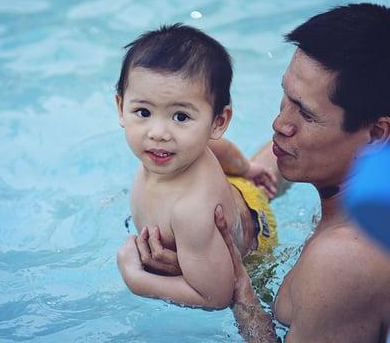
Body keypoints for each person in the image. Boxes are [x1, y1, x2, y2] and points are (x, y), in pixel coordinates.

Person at [131, 4, 390, 342]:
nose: (280, 123)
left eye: (305, 114)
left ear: (378, 135)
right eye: (287, 96)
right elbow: (266, 174)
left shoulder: (341, 264)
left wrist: (237, 287)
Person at [115, 24, 277, 309]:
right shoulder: (179, 150)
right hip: (237, 187)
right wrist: (247, 169)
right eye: (143, 112)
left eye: (180, 116)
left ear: (218, 122)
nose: (158, 132)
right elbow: (220, 148)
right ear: (120, 108)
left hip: (253, 242)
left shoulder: (191, 211)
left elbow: (216, 296)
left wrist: (136, 279)